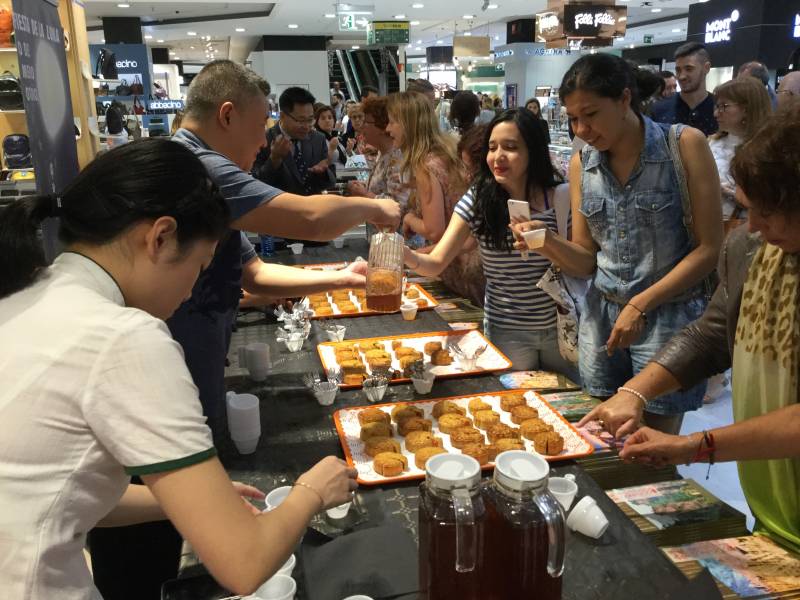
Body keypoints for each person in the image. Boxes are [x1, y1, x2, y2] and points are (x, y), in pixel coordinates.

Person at [87, 60, 397, 600]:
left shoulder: (201, 185)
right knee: (148, 546)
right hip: (161, 384)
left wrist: (339, 277)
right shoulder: (195, 168)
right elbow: (307, 218)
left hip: (191, 374)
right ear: (226, 115)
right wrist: (375, 207)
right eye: (260, 130)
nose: (263, 144)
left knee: (163, 525)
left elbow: (250, 273)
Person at [0, 139, 359, 599]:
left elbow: (55, 493)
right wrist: (311, 490)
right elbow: (244, 563)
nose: (190, 292)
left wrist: (192, 504)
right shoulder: (123, 337)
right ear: (161, 237)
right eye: (200, 266)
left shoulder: (30, 293)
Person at [608, 105, 800, 553]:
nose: (752, 225)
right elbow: (712, 335)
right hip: (774, 509)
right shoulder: (751, 248)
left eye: (768, 212)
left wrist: (692, 445)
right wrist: (634, 391)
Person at [513, 54, 722, 434]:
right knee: (599, 440)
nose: (581, 129)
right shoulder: (582, 163)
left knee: (652, 445)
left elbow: (709, 249)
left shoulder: (684, 145)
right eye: (573, 118)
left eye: (590, 114)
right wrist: (544, 242)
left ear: (625, 98)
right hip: (603, 321)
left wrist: (641, 303)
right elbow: (585, 261)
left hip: (667, 320)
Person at [404, 109, 576, 378]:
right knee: (516, 407)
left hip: (563, 326)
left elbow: (582, 264)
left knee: (568, 408)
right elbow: (436, 262)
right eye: (492, 148)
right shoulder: (478, 200)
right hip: (507, 330)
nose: (498, 156)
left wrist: (548, 241)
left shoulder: (560, 197)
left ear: (533, 151)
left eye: (510, 147)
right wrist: (403, 254)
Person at [386, 91, 485, 308]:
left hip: (460, 268)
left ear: (408, 124)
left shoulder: (425, 165)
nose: (388, 129)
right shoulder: (445, 152)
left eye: (392, 122)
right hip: (468, 262)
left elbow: (435, 230)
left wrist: (410, 219)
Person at [707, 77, 771, 220]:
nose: (716, 113)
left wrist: (728, 193)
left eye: (723, 106)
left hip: (750, 229)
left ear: (747, 109)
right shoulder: (711, 143)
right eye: (717, 106)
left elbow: (773, 204)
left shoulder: (767, 151)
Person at [253, 86, 336, 196]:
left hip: (313, 208)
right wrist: (274, 160)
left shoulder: (318, 139)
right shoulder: (262, 140)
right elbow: (256, 186)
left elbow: (331, 181)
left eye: (310, 119)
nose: (306, 126)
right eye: (300, 120)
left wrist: (323, 173)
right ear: (282, 116)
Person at [346, 95, 411, 216]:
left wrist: (364, 194)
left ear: (382, 127)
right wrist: (364, 186)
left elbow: (398, 206)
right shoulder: (383, 153)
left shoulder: (397, 159)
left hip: (393, 233)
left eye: (366, 122)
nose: (361, 125)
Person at [651, 42, 718, 136]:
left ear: (706, 68)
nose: (682, 76)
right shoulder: (659, 109)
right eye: (678, 70)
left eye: (689, 69)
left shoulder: (719, 109)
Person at [314, 103, 348, 168]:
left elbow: (341, 158)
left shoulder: (334, 136)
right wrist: (331, 150)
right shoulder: (317, 139)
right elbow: (320, 167)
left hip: (343, 174)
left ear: (334, 120)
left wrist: (348, 150)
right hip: (331, 176)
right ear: (317, 122)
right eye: (323, 118)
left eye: (330, 118)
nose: (327, 120)